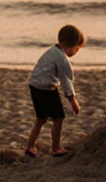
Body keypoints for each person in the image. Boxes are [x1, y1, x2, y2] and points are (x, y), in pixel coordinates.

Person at [24, 24, 85, 157]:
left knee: (40, 119)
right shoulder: (62, 58)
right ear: (72, 46)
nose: (75, 53)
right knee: (58, 118)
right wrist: (73, 100)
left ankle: (30, 146)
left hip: (34, 85)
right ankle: (56, 148)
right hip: (46, 89)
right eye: (76, 49)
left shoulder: (51, 51)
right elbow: (66, 81)